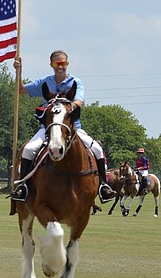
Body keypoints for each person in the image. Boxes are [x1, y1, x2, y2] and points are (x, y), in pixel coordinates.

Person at [11, 50, 115, 203]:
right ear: (51, 65)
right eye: (56, 63)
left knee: (97, 150)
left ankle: (103, 186)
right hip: (47, 128)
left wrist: (65, 108)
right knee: (28, 149)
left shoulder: (75, 82)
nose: (60, 66)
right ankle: (23, 187)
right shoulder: (44, 82)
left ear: (67, 63)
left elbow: (78, 101)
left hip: (72, 128)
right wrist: (18, 72)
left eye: (63, 63)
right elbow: (20, 90)